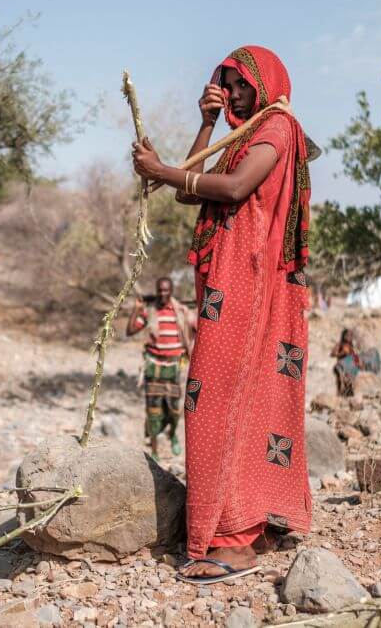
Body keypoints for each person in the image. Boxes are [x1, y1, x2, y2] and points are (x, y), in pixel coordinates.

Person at [131, 45, 318, 584]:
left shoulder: (278, 126)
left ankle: (231, 541)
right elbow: (194, 191)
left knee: (212, 400)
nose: (233, 93)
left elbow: (233, 188)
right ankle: (245, 519)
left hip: (247, 279)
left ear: (266, 83)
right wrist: (206, 124)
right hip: (228, 281)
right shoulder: (247, 132)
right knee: (230, 396)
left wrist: (162, 170)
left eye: (240, 85)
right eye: (226, 83)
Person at [126, 277, 195, 460]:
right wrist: (137, 309)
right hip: (153, 366)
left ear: (171, 291)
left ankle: (172, 435)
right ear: (157, 291)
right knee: (153, 409)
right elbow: (130, 330)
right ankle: (154, 449)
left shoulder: (180, 311)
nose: (163, 294)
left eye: (166, 291)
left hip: (173, 366)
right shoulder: (150, 311)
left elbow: (196, 329)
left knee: (173, 408)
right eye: (160, 291)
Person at [331, 329, 360, 397]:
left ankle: (348, 397)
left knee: (350, 383)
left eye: (350, 336)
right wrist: (342, 354)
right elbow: (332, 354)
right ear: (343, 336)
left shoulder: (350, 346)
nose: (349, 337)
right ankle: (339, 396)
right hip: (340, 366)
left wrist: (358, 362)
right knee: (340, 382)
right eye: (347, 335)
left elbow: (354, 356)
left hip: (349, 368)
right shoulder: (340, 344)